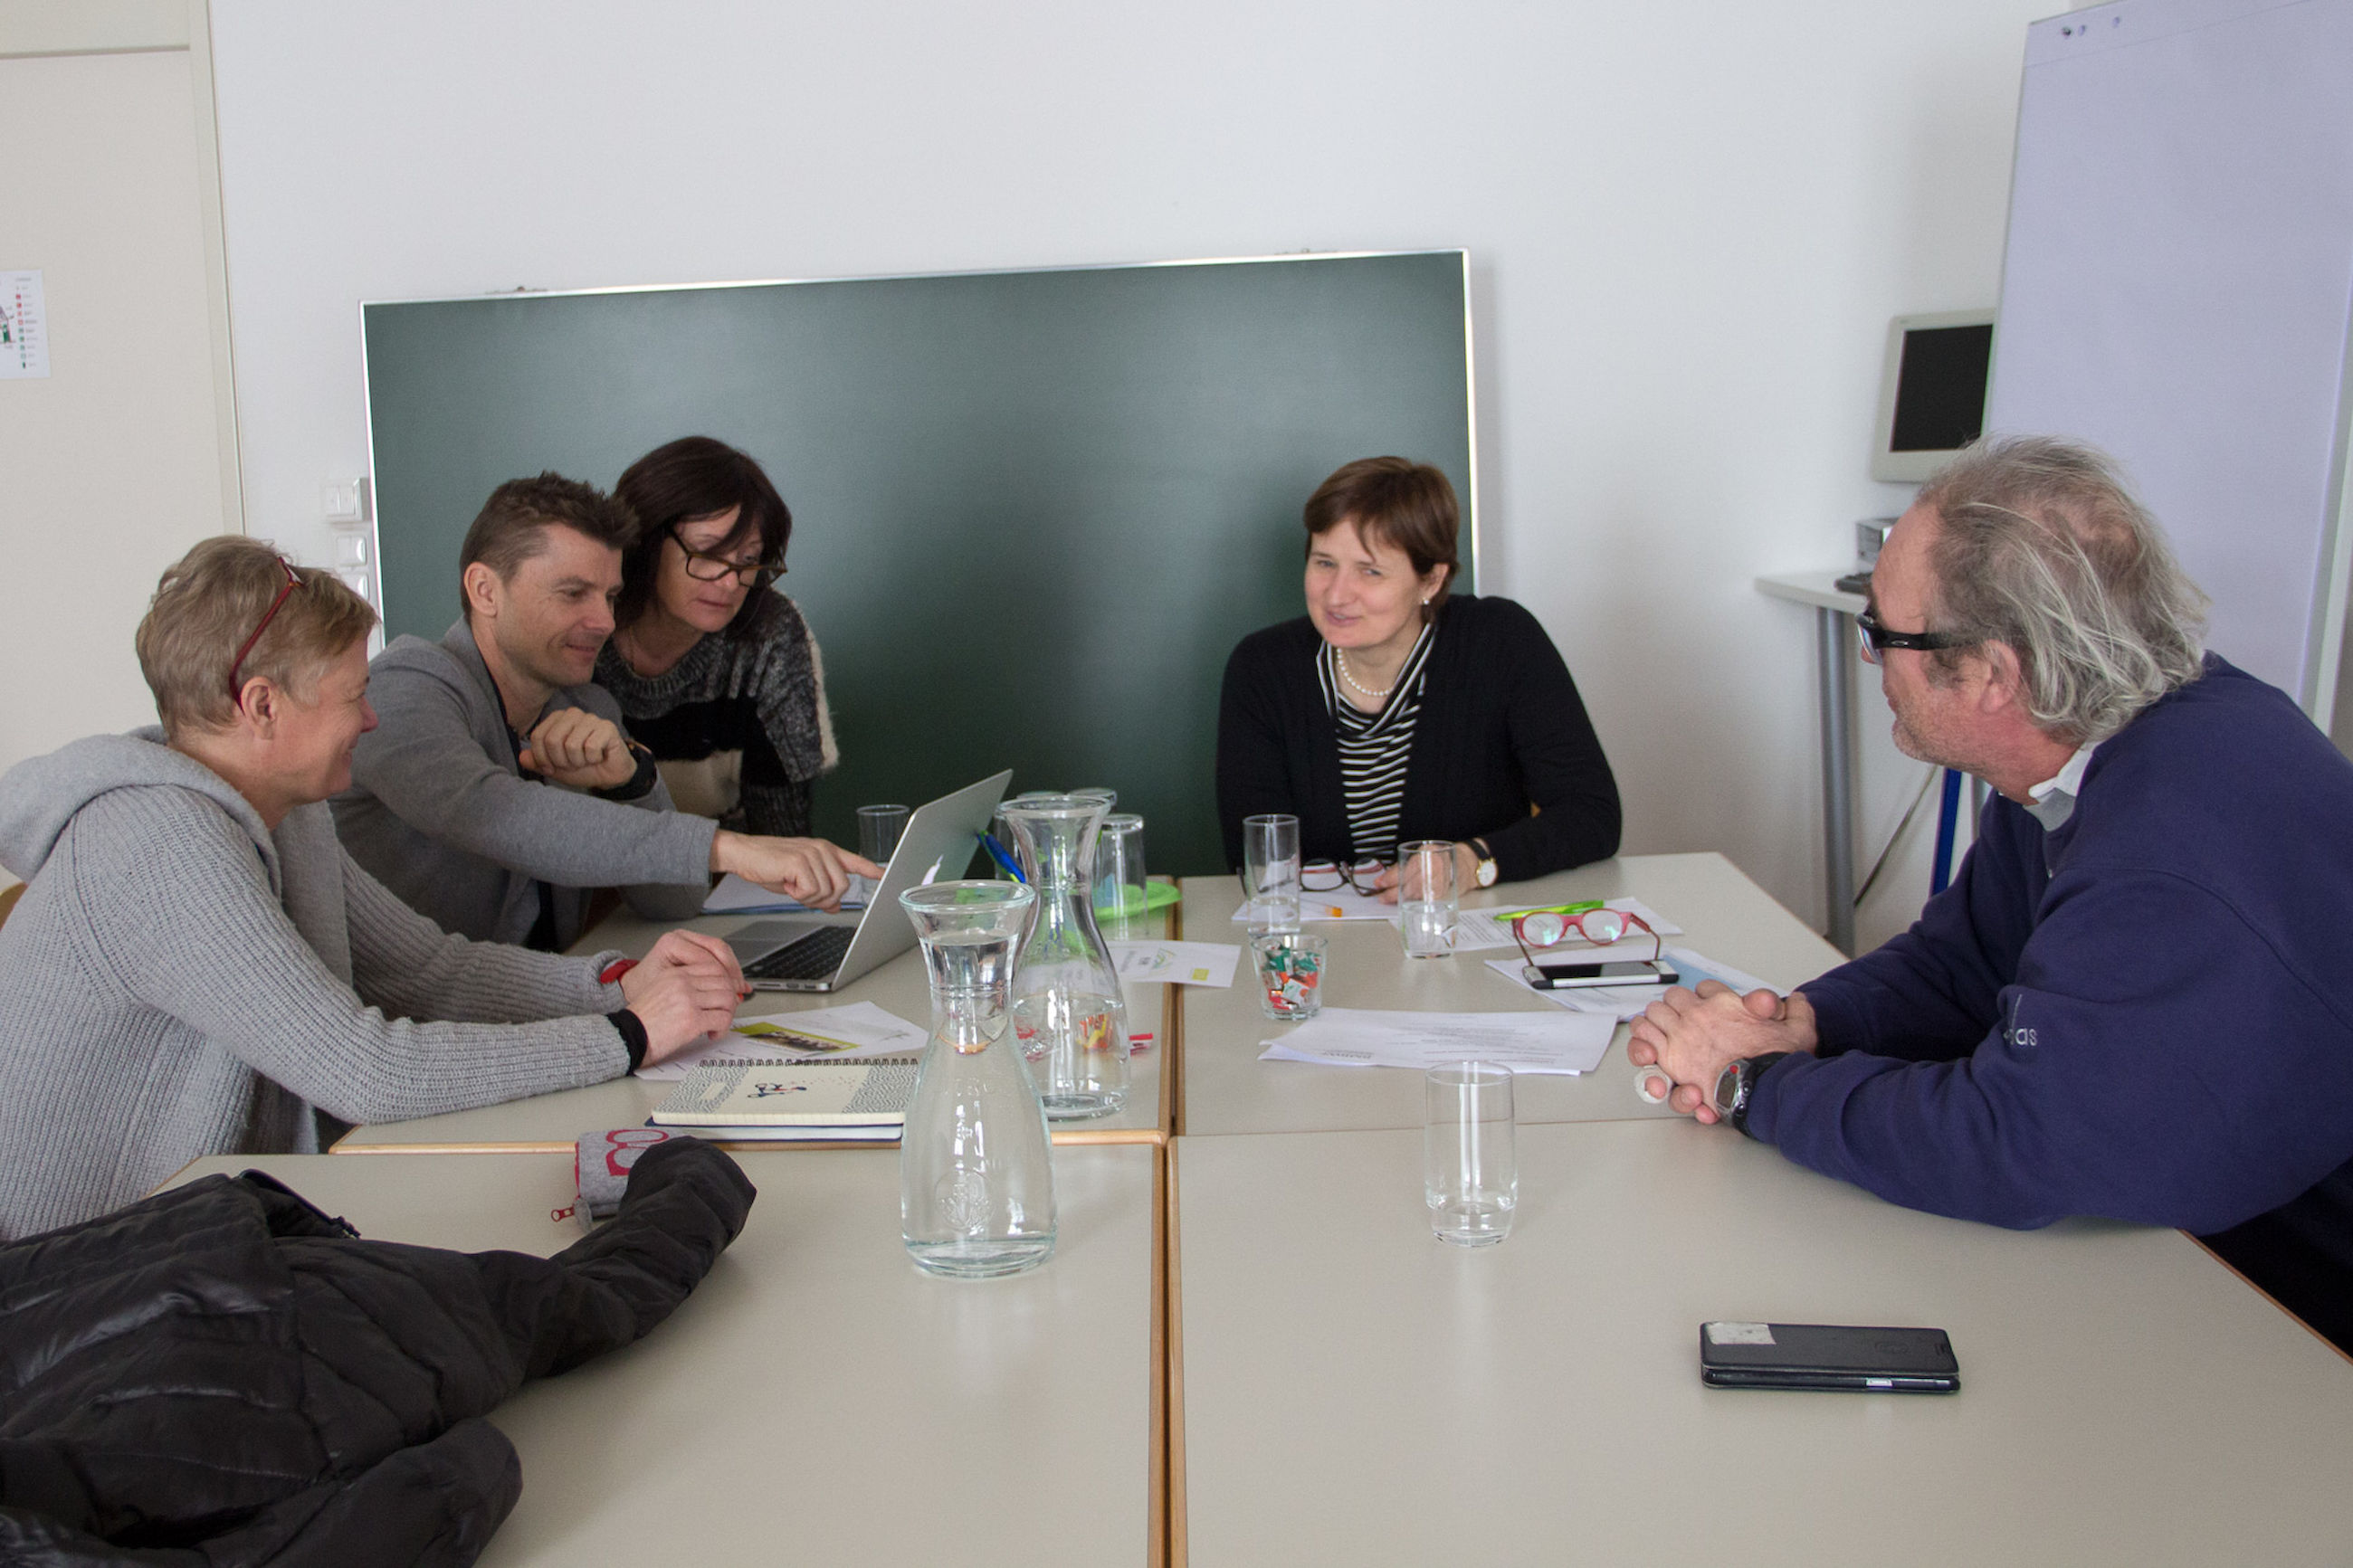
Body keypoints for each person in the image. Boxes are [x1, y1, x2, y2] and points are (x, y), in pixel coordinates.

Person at [1628, 436, 2353, 1354]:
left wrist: (1756, 1084)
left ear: (1991, 673)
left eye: (1882, 633)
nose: (1869, 659)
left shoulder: (2163, 854)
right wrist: (1804, 1022)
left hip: (2291, 1318)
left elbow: (2013, 1139)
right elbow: (1965, 963)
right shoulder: (2090, 740)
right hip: (2195, 1250)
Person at [0, 537, 749, 1239]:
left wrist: (617, 985)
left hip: (190, 1239)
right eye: (352, 694)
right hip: (69, 1275)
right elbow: (366, 1071)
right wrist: (629, 1035)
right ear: (262, 705)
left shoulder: (286, 811)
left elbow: (427, 969)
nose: (370, 718)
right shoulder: (157, 841)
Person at [333, 472, 879, 950]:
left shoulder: (588, 705)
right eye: (573, 593)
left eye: (610, 596)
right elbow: (494, 816)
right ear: (485, 590)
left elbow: (673, 901)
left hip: (546, 1006)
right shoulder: (404, 686)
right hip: (417, 1022)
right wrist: (729, 848)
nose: (604, 622)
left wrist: (632, 784)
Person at [1215, 455, 1620, 897]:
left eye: (1370, 571)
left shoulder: (1501, 642)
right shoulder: (1262, 668)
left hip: (1469, 924)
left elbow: (1592, 814)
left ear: (1430, 581)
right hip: (1324, 932)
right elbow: (1254, 852)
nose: (1336, 595)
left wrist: (1474, 862)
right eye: (1324, 563)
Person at [597, 435, 836, 838]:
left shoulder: (770, 634)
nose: (730, 583)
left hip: (729, 870)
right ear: (646, 542)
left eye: (748, 560)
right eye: (707, 553)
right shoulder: (586, 623)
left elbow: (781, 838)